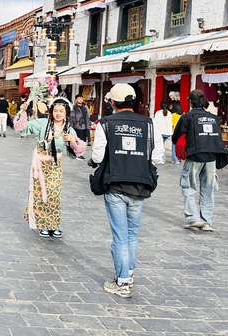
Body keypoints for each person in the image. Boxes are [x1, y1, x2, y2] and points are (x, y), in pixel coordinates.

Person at [89, 83, 161, 298]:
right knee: (132, 233)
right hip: (140, 185)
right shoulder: (149, 124)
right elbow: (157, 157)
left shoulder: (105, 124)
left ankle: (122, 283)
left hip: (115, 184)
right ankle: (128, 274)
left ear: (112, 102)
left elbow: (97, 156)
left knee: (120, 236)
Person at [21, 98, 87, 238]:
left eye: (61, 111)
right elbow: (23, 128)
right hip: (40, 163)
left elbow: (78, 150)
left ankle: (54, 225)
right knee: (41, 194)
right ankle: (43, 225)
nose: (58, 113)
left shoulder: (68, 129)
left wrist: (74, 140)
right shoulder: (43, 123)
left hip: (55, 165)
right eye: (55, 110)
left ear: (66, 113)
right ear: (51, 112)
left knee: (54, 194)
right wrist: (22, 112)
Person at [171, 89, 228, 231]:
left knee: (188, 187)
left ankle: (193, 218)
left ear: (190, 102)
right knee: (208, 190)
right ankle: (207, 221)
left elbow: (175, 137)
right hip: (211, 158)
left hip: (194, 156)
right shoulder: (214, 118)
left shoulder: (187, 117)